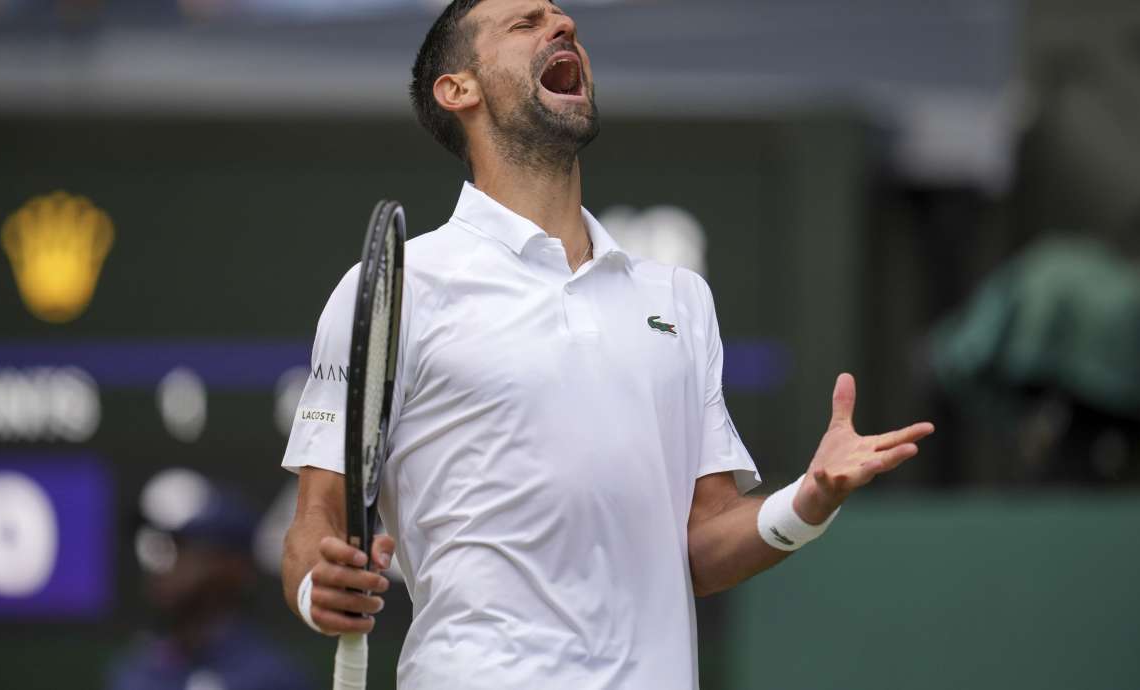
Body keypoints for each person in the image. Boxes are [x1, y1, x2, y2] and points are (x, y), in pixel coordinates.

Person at [279, 1, 935, 688]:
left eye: (564, 20)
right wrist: (314, 588)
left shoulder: (677, 298)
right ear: (459, 88)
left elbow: (703, 545)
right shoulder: (401, 285)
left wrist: (808, 502)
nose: (562, 27)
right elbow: (316, 520)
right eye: (525, 22)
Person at [109, 483, 311, 690]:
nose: (155, 561)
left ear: (231, 564)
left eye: (175, 545)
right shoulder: (135, 669)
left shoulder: (273, 678)